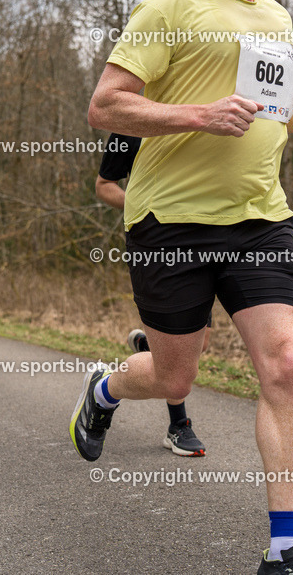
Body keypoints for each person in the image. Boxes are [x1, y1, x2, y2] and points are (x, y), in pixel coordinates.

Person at [71, 0, 293, 572]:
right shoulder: (170, 5)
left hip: (260, 219)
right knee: (174, 378)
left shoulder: (279, 17)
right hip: (172, 222)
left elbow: (267, 119)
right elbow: (105, 105)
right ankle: (104, 392)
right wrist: (197, 113)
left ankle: (283, 551)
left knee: (287, 365)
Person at [96, 133, 208, 457]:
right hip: (158, 243)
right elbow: (104, 184)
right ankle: (179, 425)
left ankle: (151, 350)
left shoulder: (212, 105)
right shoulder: (133, 123)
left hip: (207, 241)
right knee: (178, 359)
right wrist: (144, 206)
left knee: (198, 344)